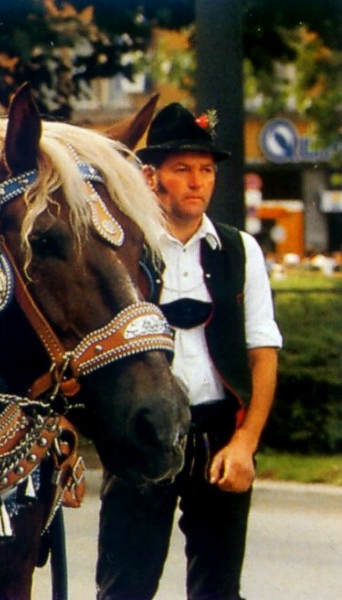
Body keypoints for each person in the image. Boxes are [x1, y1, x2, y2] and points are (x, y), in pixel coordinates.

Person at [95, 102, 283, 600]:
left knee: (219, 590)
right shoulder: (124, 249)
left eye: (206, 170)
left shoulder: (239, 249)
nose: (198, 182)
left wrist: (245, 444)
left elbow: (263, 349)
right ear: (150, 177)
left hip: (219, 434)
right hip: (143, 430)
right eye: (183, 170)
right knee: (124, 589)